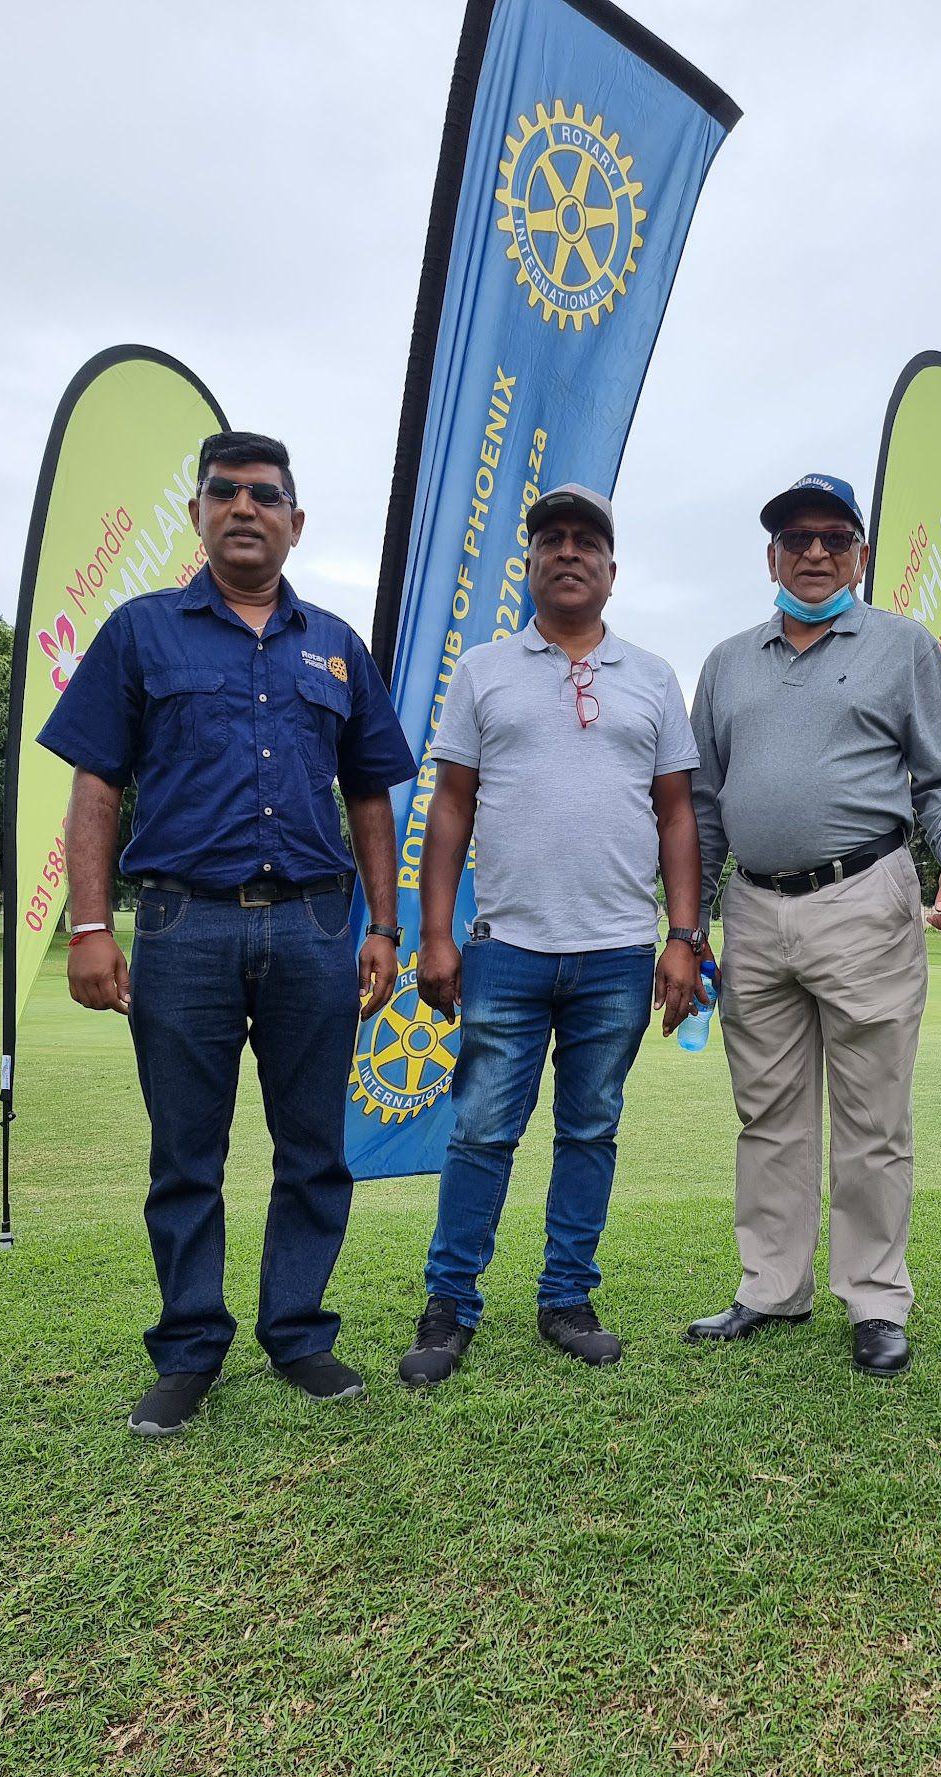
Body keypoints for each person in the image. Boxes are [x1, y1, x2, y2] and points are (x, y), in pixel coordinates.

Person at [39, 431, 416, 1436]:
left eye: (266, 494)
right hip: (181, 925)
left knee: (314, 1149)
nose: (245, 507)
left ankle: (297, 1335)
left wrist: (385, 924)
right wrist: (88, 924)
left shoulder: (336, 642)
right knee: (185, 1154)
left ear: (296, 520)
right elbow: (94, 786)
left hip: (313, 927)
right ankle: (190, 1349)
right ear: (198, 513)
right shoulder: (140, 634)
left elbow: (371, 792)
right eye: (225, 491)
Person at [397, 483, 705, 1386]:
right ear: (526, 565)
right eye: (551, 540)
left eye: (587, 542)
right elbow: (449, 810)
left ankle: (566, 1296)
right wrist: (437, 934)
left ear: (613, 570)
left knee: (590, 1130)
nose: (568, 553)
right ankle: (450, 1303)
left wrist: (682, 937)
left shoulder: (651, 678)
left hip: (616, 952)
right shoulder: (484, 669)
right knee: (482, 1132)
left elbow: (678, 817)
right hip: (506, 948)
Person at [686, 474, 941, 1377]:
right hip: (754, 905)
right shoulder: (728, 661)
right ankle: (771, 1288)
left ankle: (875, 1299)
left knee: (872, 1115)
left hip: (865, 893)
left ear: (859, 554)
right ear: (770, 556)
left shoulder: (903, 648)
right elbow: (702, 802)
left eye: (833, 538)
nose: (814, 552)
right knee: (767, 1112)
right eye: (795, 538)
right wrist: (690, 923)